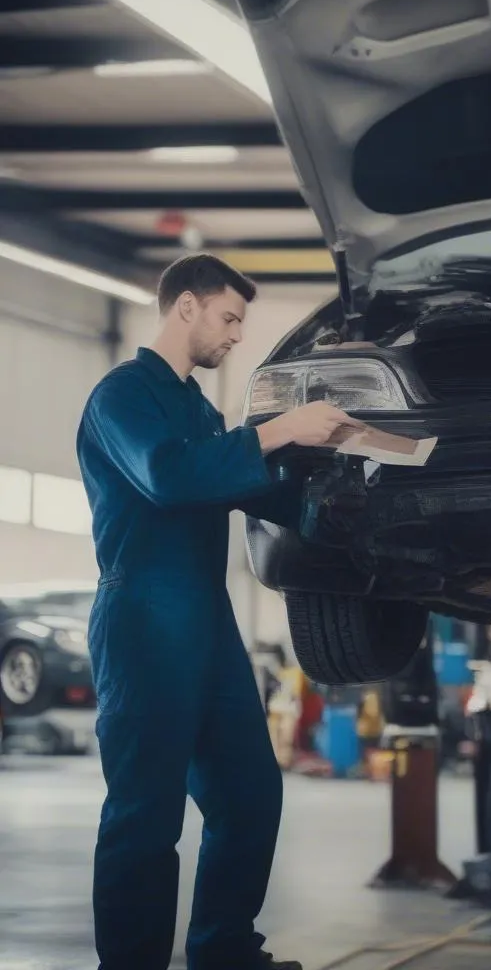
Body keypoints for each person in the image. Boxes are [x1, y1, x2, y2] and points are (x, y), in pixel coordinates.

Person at [76, 254, 352, 970]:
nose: (235, 335)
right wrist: (280, 429)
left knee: (250, 794)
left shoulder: (199, 408)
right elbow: (170, 476)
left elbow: (242, 485)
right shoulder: (121, 396)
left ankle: (224, 951)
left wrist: (346, 481)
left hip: (205, 620)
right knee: (146, 814)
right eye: (229, 318)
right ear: (186, 308)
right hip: (142, 618)